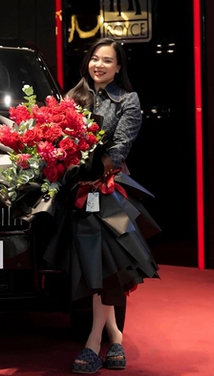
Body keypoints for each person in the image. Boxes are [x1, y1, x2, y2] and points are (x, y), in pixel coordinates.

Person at [42, 37, 161, 373]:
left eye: (108, 60)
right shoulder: (72, 97)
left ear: (119, 67)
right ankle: (116, 337)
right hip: (76, 193)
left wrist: (95, 170)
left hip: (108, 191)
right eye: (95, 59)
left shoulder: (128, 100)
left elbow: (121, 145)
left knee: (106, 264)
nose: (99, 65)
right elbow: (57, 140)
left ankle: (93, 342)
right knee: (96, 266)